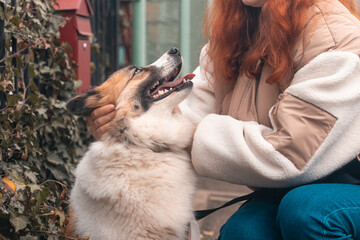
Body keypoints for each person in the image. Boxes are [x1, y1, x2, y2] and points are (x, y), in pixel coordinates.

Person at [86, 0, 360, 239]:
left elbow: (291, 154)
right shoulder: (237, 35)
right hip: (290, 189)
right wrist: (116, 123)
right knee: (243, 231)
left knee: (308, 212)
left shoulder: (334, 37)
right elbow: (186, 115)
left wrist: (185, 134)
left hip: (345, 185)